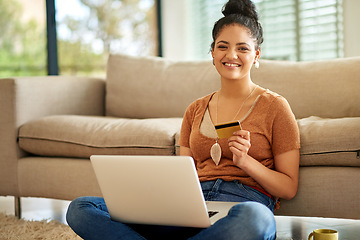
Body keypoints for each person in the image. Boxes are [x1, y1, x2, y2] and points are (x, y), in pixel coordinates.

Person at [66, 0, 300, 239]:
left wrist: (246, 162)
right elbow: (183, 178)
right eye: (223, 46)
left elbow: (288, 187)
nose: (231, 55)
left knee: (255, 219)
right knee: (81, 208)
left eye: (242, 48)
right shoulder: (195, 110)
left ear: (256, 54)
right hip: (190, 210)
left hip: (244, 205)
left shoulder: (275, 107)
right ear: (212, 53)